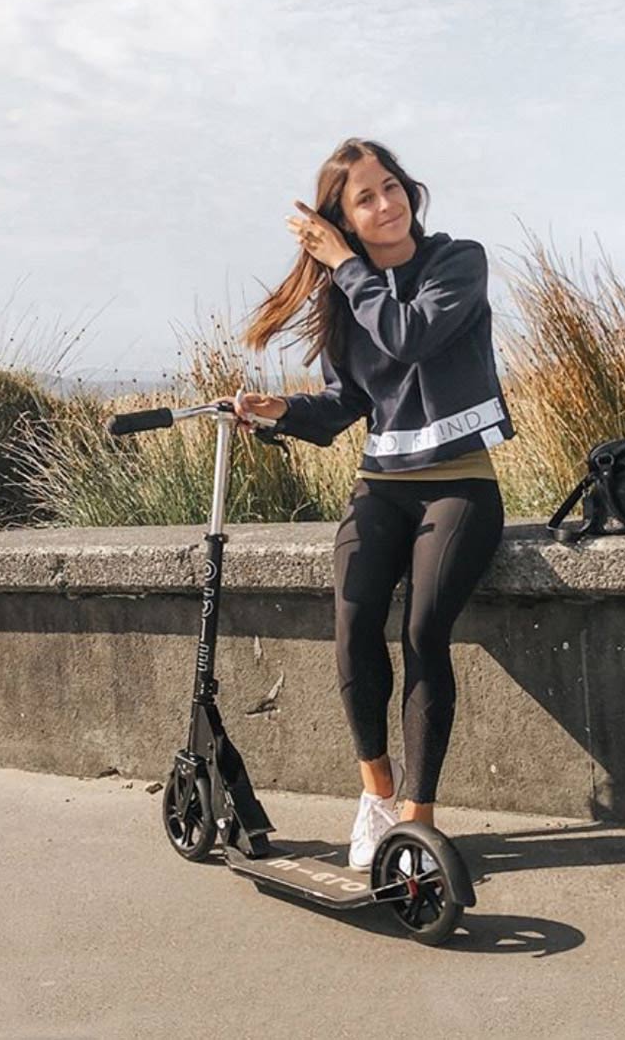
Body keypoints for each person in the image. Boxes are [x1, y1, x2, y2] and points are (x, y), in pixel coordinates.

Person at [226, 137, 514, 871]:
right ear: (345, 217)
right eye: (364, 197)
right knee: (353, 627)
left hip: (459, 485)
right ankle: (376, 801)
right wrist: (277, 411)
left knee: (422, 631)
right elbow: (345, 404)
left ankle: (417, 824)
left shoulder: (457, 261)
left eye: (390, 186)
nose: (386, 203)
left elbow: (412, 336)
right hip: (381, 485)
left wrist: (346, 266)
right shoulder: (349, 298)